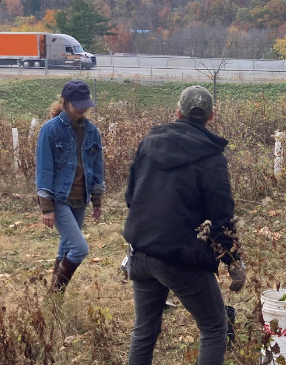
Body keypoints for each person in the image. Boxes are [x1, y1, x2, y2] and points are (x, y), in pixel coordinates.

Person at [123, 85, 246, 365]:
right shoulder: (211, 157)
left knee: (144, 331)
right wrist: (233, 262)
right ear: (211, 116)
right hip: (180, 259)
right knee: (216, 326)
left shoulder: (148, 142)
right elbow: (222, 216)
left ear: (177, 112)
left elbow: (131, 197)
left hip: (140, 253)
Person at [35, 80, 105, 293]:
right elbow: (44, 169)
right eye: (78, 104)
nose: (83, 108)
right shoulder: (50, 130)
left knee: (66, 246)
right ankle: (56, 294)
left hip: (81, 198)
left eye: (86, 103)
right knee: (79, 248)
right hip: (60, 199)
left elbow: (97, 167)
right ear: (65, 103)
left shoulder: (92, 131)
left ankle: (54, 302)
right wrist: (46, 206)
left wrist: (97, 200)